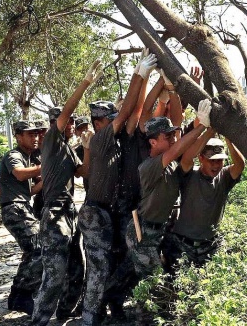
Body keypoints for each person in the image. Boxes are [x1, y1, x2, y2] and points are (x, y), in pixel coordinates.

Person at [78, 51, 157, 324]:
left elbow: (134, 112)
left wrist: (144, 79)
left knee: (118, 261)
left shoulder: (118, 142)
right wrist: (140, 74)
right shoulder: (100, 141)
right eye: (108, 119)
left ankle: (111, 306)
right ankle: (90, 318)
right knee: (98, 268)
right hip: (95, 212)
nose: (115, 122)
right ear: (98, 123)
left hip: (114, 212)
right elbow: (126, 113)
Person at [31, 58, 102, 325]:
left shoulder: (67, 148)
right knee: (55, 272)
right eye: (66, 121)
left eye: (73, 120)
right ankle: (39, 320)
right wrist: (84, 84)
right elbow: (63, 115)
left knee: (75, 268)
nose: (71, 123)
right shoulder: (51, 139)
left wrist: (88, 149)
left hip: (69, 212)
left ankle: (64, 313)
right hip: (54, 214)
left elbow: (82, 173)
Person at [125, 98, 211, 286]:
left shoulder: (171, 165)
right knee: (150, 283)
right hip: (143, 234)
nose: (173, 140)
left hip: (162, 229)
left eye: (173, 136)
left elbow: (189, 152)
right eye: (168, 137)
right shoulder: (148, 166)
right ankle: (137, 315)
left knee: (166, 273)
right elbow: (179, 148)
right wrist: (201, 126)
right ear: (153, 142)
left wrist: (209, 129)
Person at [161, 135, 245, 274]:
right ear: (201, 158)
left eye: (220, 161)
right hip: (182, 245)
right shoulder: (189, 175)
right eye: (212, 160)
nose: (216, 165)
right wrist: (208, 131)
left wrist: (229, 139)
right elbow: (187, 159)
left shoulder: (224, 177)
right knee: (177, 285)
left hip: (209, 247)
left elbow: (240, 165)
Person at [0, 120, 43, 314]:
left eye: (36, 134)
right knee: (40, 247)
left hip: (21, 206)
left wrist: (48, 179)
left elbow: (28, 191)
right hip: (15, 209)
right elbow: (19, 174)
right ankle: (22, 295)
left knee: (33, 250)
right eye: (30, 134)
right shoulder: (14, 155)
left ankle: (18, 296)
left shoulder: (28, 157)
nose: (35, 138)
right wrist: (47, 166)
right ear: (18, 136)